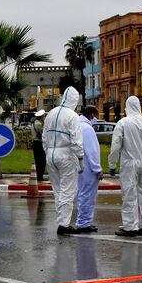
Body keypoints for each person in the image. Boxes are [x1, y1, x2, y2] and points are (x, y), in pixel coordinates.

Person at [108, 96, 142, 237]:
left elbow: (116, 145)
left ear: (127, 107)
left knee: (129, 194)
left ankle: (130, 227)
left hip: (130, 163)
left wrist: (112, 163)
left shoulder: (123, 123)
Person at [42, 86, 84, 235]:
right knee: (68, 190)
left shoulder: (51, 113)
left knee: (58, 190)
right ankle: (64, 225)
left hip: (51, 155)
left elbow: (44, 137)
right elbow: (76, 141)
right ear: (75, 100)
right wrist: (80, 159)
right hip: (66, 155)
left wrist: (48, 151)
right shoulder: (72, 116)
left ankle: (61, 220)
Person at [76, 105, 102, 233]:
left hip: (80, 166)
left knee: (83, 193)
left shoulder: (78, 125)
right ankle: (83, 222)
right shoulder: (87, 128)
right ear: (91, 115)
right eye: (96, 116)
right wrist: (97, 169)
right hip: (89, 168)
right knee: (88, 195)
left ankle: (85, 221)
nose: (96, 119)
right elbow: (92, 151)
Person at [31, 109, 47, 183]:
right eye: (43, 116)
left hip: (36, 144)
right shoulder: (38, 124)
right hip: (38, 144)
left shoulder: (35, 123)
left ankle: (39, 176)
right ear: (41, 117)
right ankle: (40, 177)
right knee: (42, 161)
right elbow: (44, 133)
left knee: (39, 160)